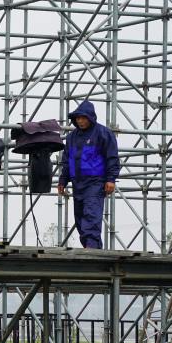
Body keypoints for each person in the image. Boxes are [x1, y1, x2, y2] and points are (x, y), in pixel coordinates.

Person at [57, 100, 120, 249]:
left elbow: (112, 157)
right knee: (80, 221)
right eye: (77, 118)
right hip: (77, 184)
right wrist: (62, 180)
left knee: (91, 219)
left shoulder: (103, 133)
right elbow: (67, 160)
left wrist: (111, 179)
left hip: (95, 183)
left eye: (83, 118)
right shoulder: (72, 137)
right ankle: (94, 252)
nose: (80, 121)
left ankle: (91, 251)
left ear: (90, 117)